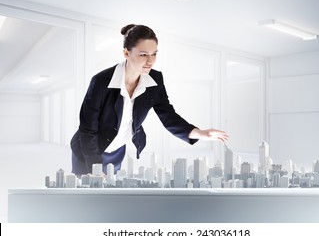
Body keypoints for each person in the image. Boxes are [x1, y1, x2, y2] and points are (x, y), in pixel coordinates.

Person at [70, 24, 228, 175]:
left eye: (154, 54)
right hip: (87, 150)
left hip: (117, 150)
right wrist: (94, 168)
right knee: (87, 193)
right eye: (143, 55)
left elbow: (168, 115)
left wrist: (199, 133)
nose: (150, 61)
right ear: (126, 53)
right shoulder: (101, 81)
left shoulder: (155, 80)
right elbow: (87, 129)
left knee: (108, 194)